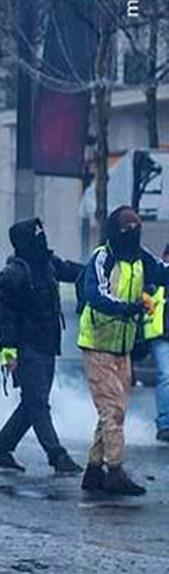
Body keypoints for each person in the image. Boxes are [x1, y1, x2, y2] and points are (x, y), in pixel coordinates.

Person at [77, 206, 169, 496]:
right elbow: (96, 295)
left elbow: (163, 273)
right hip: (98, 346)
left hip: (123, 348)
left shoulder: (142, 257)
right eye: (129, 230)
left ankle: (94, 470)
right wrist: (126, 309)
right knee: (113, 410)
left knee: (113, 412)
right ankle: (114, 471)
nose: (134, 234)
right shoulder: (103, 258)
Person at [0, 218, 83, 475]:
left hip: (47, 345)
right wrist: (8, 352)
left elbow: (74, 272)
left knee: (31, 404)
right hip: (27, 348)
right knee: (37, 403)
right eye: (37, 236)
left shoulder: (48, 264)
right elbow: (5, 318)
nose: (42, 241)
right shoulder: (14, 274)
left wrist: (100, 267)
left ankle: (0, 449)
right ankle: (57, 455)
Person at [144, 243, 169, 443]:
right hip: (161, 336)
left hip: (160, 335)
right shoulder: (158, 276)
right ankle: (165, 425)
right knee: (166, 377)